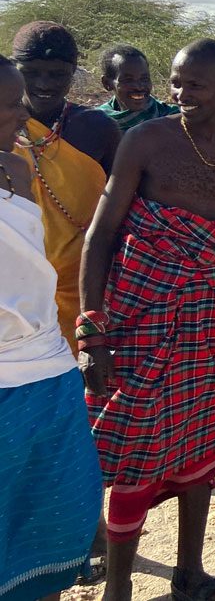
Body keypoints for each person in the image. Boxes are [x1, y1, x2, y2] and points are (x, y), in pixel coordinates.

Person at [80, 39, 215, 601]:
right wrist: (91, 329)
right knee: (136, 454)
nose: (178, 93)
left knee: (201, 445)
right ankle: (117, 591)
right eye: (175, 82)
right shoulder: (144, 140)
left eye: (194, 85)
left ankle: (189, 575)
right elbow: (100, 237)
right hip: (143, 319)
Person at [0, 54, 104, 601]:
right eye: (12, 104)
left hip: (47, 365)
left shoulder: (18, 168)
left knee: (52, 509)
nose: (24, 113)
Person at [11, 22, 121, 346]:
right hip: (17, 287)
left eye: (57, 74)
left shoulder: (98, 129)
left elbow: (122, 208)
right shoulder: (2, 127)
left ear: (73, 72)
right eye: (30, 72)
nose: (43, 84)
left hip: (86, 283)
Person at [97, 44, 179, 131]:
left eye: (144, 79)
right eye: (128, 80)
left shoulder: (172, 118)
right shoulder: (97, 122)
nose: (139, 87)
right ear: (107, 83)